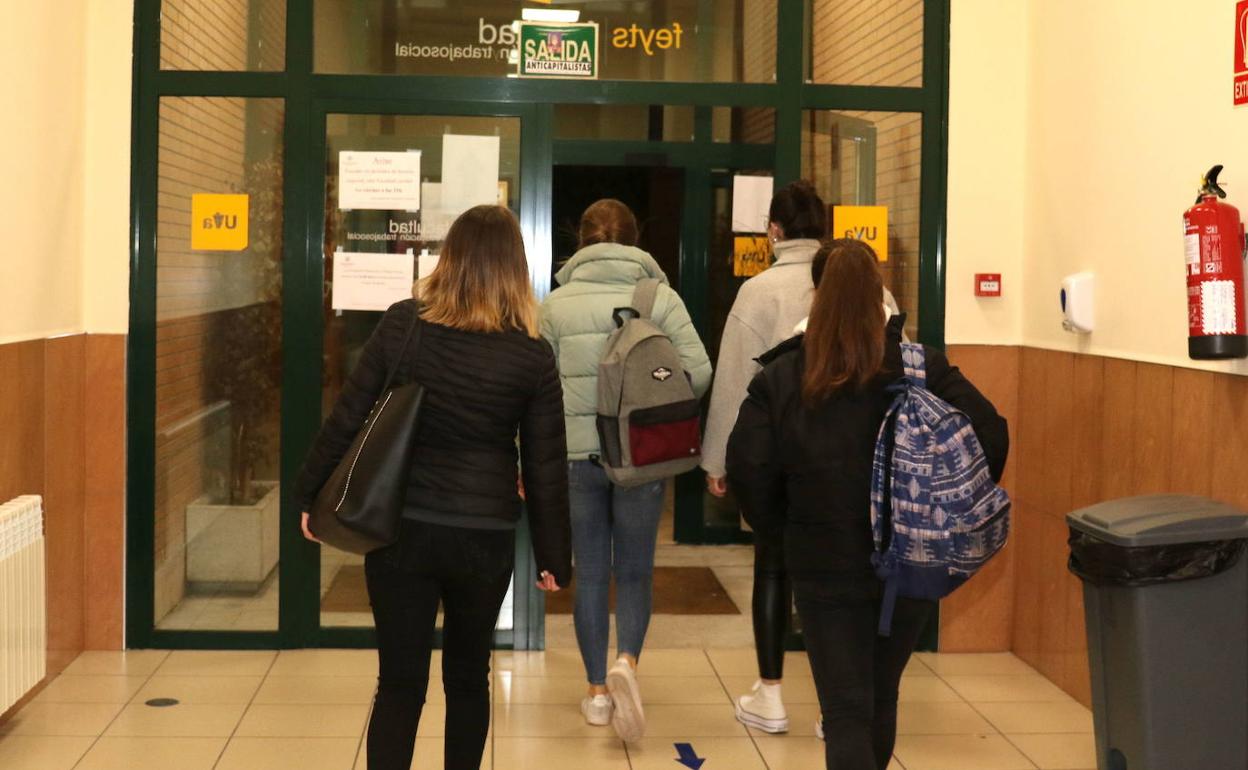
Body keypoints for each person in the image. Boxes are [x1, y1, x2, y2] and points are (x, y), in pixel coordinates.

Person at [292, 205, 572, 770]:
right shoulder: (532, 355)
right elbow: (545, 463)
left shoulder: (405, 325)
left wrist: (308, 494)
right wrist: (553, 554)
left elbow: (349, 415)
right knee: (469, 680)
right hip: (484, 537)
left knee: (400, 682)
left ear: (452, 259)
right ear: (516, 268)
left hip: (401, 529)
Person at [725, 239, 1009, 769]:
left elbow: (748, 468)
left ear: (818, 297)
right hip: (913, 557)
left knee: (846, 708)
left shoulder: (784, 376)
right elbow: (991, 434)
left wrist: (779, 533)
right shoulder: (926, 369)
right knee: (881, 693)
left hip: (821, 562)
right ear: (883, 298)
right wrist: (952, 509)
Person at [702, 180, 901, 733]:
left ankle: (771, 697)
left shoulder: (758, 290)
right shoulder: (870, 290)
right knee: (853, 580)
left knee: (773, 568)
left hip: (783, 462)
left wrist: (719, 461)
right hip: (863, 471)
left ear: (774, 230)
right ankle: (836, 704)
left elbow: (736, 382)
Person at [541, 199, 712, 742]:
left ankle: (595, 693)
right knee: (635, 571)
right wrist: (655, 400)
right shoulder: (659, 298)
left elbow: (537, 389)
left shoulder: (555, 305)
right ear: (636, 240)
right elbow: (700, 372)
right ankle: (627, 665)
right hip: (640, 457)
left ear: (581, 243)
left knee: (590, 573)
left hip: (575, 457)